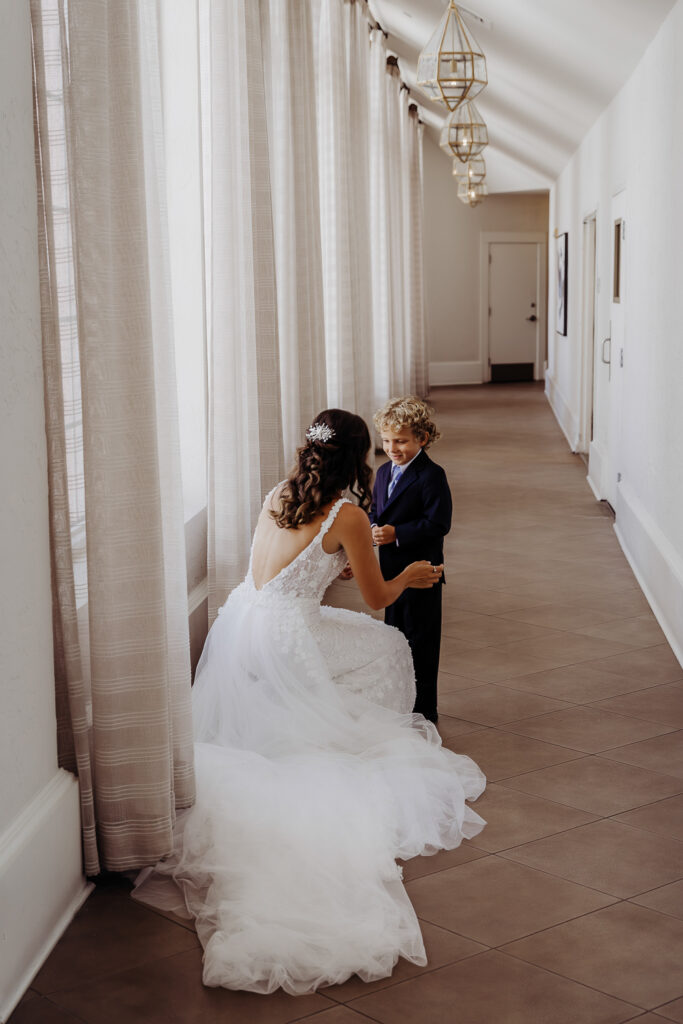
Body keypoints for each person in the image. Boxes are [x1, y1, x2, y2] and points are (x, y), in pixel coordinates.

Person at [134, 409, 485, 996]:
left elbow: (277, 570)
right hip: (290, 638)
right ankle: (337, 735)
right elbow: (377, 598)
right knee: (389, 644)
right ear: (358, 457)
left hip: (244, 623)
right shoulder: (347, 513)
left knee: (353, 641)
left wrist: (333, 569)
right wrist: (412, 576)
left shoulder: (280, 491)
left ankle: (309, 714)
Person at [371, 397, 451, 722]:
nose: (393, 448)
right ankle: (401, 700)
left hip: (421, 573)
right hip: (390, 572)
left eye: (401, 441)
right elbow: (377, 508)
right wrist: (374, 526)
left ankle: (424, 710)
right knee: (396, 637)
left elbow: (438, 523)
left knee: (421, 641)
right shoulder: (382, 473)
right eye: (387, 440)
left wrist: (397, 533)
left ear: (422, 438)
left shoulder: (431, 476)